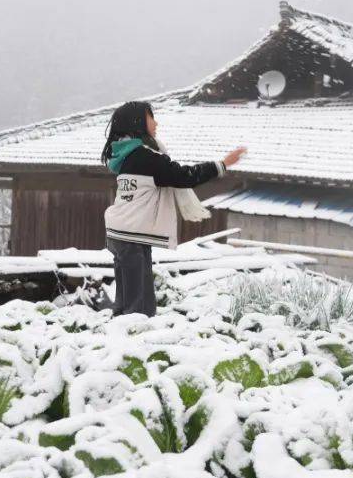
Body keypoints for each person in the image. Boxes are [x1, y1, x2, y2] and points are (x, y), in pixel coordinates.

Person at [102, 101, 246, 317]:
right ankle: (132, 343)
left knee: (127, 302)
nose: (156, 122)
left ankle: (121, 338)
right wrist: (222, 164)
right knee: (139, 309)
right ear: (138, 122)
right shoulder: (144, 156)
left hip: (121, 233)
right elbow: (184, 176)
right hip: (131, 235)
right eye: (151, 117)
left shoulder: (126, 155)